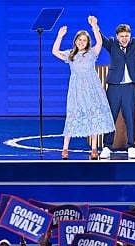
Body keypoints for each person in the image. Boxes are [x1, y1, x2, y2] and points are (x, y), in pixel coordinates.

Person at [52, 16, 115, 160]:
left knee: (92, 116)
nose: (81, 42)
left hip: (92, 89)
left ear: (87, 42)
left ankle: (94, 149)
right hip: (76, 91)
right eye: (79, 40)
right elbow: (55, 51)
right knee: (73, 115)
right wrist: (59, 36)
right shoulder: (70, 54)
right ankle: (65, 148)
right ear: (75, 41)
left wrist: (94, 26)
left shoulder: (92, 53)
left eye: (84, 40)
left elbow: (99, 41)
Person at [98, 5, 135, 159]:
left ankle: (132, 146)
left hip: (130, 87)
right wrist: (94, 26)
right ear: (117, 36)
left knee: (130, 116)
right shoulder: (111, 44)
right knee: (111, 117)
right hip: (114, 87)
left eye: (126, 36)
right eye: (122, 36)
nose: (124, 39)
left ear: (130, 36)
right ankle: (107, 146)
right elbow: (101, 38)